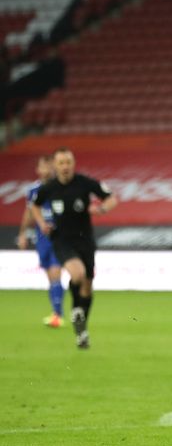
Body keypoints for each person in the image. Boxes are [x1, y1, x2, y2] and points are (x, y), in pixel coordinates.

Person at [31, 147, 118, 349]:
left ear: (73, 164)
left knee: (87, 286)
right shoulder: (49, 188)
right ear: (55, 165)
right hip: (62, 240)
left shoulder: (84, 183)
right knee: (77, 274)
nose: (65, 166)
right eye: (61, 163)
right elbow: (34, 205)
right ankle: (76, 312)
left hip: (85, 241)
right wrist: (42, 223)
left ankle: (81, 328)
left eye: (68, 162)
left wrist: (101, 208)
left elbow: (111, 198)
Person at [17, 155, 64, 328]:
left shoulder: (60, 187)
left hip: (59, 237)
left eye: (50, 166)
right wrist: (22, 234)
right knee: (50, 277)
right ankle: (55, 312)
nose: (47, 170)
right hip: (42, 239)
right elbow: (29, 213)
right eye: (43, 166)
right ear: (38, 170)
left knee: (56, 273)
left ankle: (57, 315)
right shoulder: (33, 190)